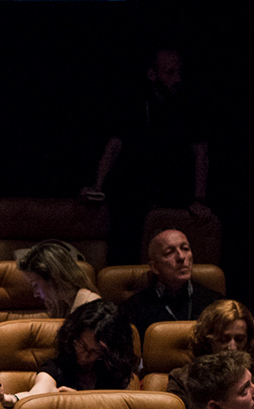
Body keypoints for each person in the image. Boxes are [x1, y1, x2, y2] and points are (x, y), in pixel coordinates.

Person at [85, 46, 212, 265]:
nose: (177, 79)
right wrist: (97, 186)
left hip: (174, 197)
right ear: (152, 75)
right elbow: (114, 145)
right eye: (170, 73)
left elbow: (201, 153)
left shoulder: (188, 105)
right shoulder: (135, 102)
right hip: (136, 194)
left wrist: (199, 199)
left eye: (179, 72)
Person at [164, 300, 254, 404]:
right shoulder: (182, 380)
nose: (232, 347)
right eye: (223, 339)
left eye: (240, 339)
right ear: (208, 340)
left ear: (248, 340)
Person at [117, 229, 221, 334]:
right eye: (169, 252)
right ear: (154, 267)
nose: (181, 257)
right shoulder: (132, 309)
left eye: (185, 248)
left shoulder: (215, 303)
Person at [16, 240, 101, 319]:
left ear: (54, 278)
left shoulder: (91, 309)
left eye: (35, 285)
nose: (35, 294)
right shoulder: (63, 306)